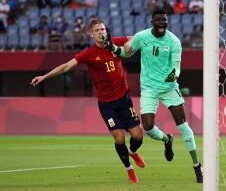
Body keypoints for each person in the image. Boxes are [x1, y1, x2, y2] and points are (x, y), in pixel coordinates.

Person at [30, 19, 145, 183]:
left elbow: (133, 37)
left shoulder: (115, 42)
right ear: (92, 34)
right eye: (97, 30)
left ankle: (133, 152)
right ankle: (129, 169)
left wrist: (129, 43)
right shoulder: (88, 54)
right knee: (119, 139)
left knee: (138, 136)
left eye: (102, 29)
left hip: (124, 99)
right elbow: (66, 66)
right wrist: (44, 76)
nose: (101, 32)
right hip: (107, 104)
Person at [104, 9, 203, 183]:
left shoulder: (174, 41)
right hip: (149, 88)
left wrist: (174, 74)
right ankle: (167, 139)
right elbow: (126, 53)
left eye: (164, 20)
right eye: (158, 20)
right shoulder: (142, 37)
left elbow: (176, 66)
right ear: (152, 22)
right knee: (148, 128)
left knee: (183, 125)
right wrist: (112, 47)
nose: (161, 23)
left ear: (167, 22)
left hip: (169, 87)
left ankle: (197, 166)